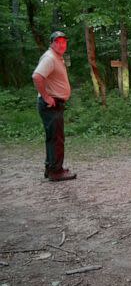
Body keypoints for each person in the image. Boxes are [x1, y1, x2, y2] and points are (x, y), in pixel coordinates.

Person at [32, 31, 77, 182]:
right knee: (56, 138)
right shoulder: (50, 58)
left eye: (64, 42)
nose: (62, 44)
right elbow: (37, 76)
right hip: (51, 105)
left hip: (55, 104)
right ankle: (56, 171)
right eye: (58, 42)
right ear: (52, 43)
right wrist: (46, 96)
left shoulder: (57, 57)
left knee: (53, 137)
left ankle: (51, 167)